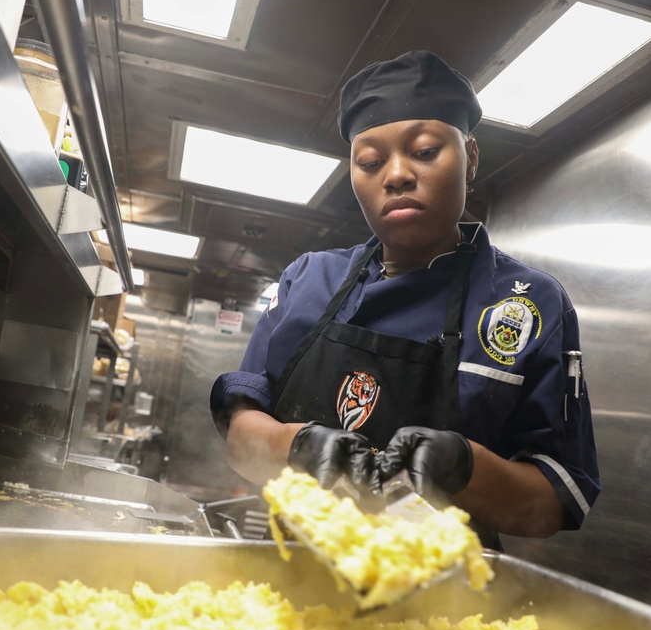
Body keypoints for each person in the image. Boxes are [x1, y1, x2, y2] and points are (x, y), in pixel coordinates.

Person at [209, 50, 599, 549]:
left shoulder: (529, 304)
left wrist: (464, 466)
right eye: (370, 161)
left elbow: (554, 502)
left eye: (424, 151)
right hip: (285, 584)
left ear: (471, 158)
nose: (395, 175)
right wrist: (296, 445)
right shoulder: (308, 280)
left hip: (444, 608)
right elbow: (242, 438)